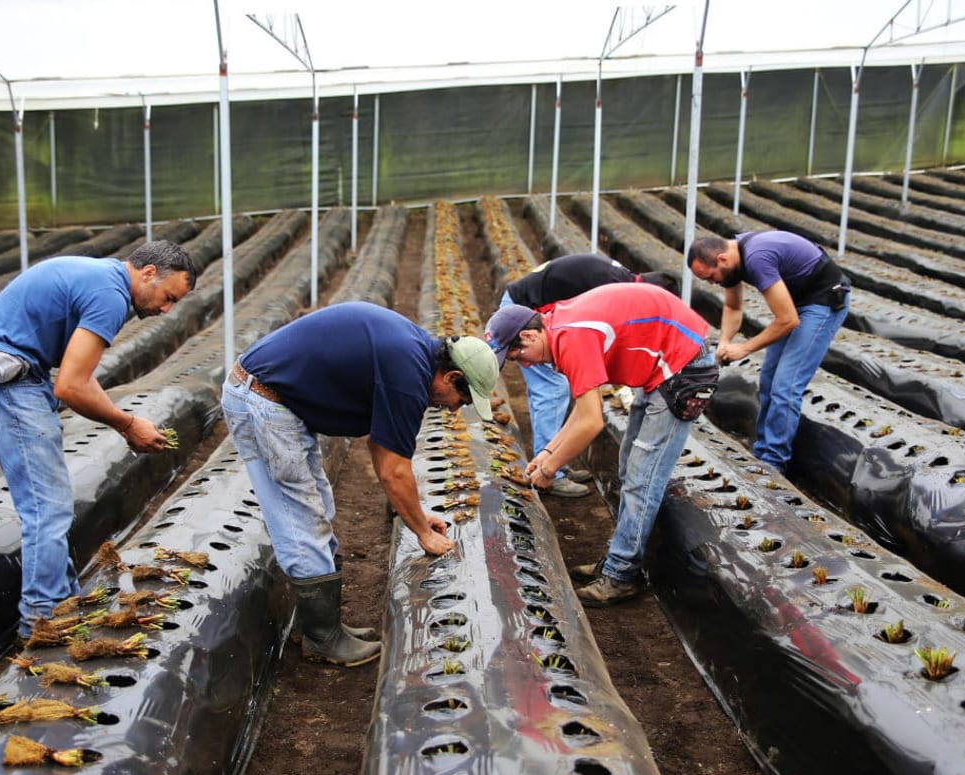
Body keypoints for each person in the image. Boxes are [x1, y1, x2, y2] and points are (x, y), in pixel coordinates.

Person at [222, 302, 499, 666]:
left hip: (278, 401)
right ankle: (322, 639)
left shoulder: (414, 357)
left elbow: (382, 448)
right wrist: (422, 531)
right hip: (262, 400)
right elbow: (392, 470)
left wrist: (416, 514)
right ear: (450, 377)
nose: (453, 409)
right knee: (300, 517)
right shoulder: (408, 373)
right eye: (461, 400)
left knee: (318, 506)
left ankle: (323, 627)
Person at [0, 241, 200, 639]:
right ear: (148, 273)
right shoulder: (110, 294)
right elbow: (71, 387)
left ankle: (60, 599)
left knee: (50, 502)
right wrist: (127, 424)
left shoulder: (102, 279)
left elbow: (79, 379)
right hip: (6, 383)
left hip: (21, 378)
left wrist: (126, 423)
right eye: (168, 297)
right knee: (46, 506)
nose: (165, 309)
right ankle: (43, 619)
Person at [485, 282, 717, 606]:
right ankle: (618, 559)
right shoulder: (558, 327)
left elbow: (592, 421)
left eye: (517, 355)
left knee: (642, 477)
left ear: (529, 336)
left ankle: (622, 576)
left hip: (684, 368)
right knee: (629, 466)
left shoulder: (571, 338)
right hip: (664, 366)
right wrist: (548, 452)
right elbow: (582, 412)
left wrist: (549, 469)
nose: (523, 365)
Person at [499, 253, 679, 498]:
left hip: (534, 313)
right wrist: (620, 390)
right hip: (524, 317)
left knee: (562, 388)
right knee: (553, 388)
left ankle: (552, 461)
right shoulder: (615, 287)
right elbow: (599, 340)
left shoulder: (619, 277)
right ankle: (550, 473)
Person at [687, 231, 850, 474]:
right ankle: (763, 450)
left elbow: (787, 320)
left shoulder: (756, 258)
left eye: (711, 277)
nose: (712, 283)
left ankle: (774, 463)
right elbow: (733, 306)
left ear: (721, 259)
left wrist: (744, 347)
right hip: (797, 303)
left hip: (823, 302)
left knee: (786, 384)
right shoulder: (731, 261)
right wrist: (724, 341)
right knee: (768, 379)